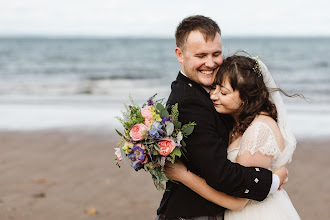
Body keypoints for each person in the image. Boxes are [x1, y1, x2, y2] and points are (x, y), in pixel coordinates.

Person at [156, 15, 287, 220]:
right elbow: (221, 175)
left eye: (216, 54)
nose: (210, 63)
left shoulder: (211, 93)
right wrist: (272, 181)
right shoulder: (188, 102)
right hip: (193, 214)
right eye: (201, 55)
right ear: (180, 55)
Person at [165, 54, 300, 219]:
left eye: (223, 92)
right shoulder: (236, 123)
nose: (213, 95)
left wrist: (183, 175)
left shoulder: (258, 131)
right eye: (214, 88)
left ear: (244, 97)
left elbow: (238, 202)